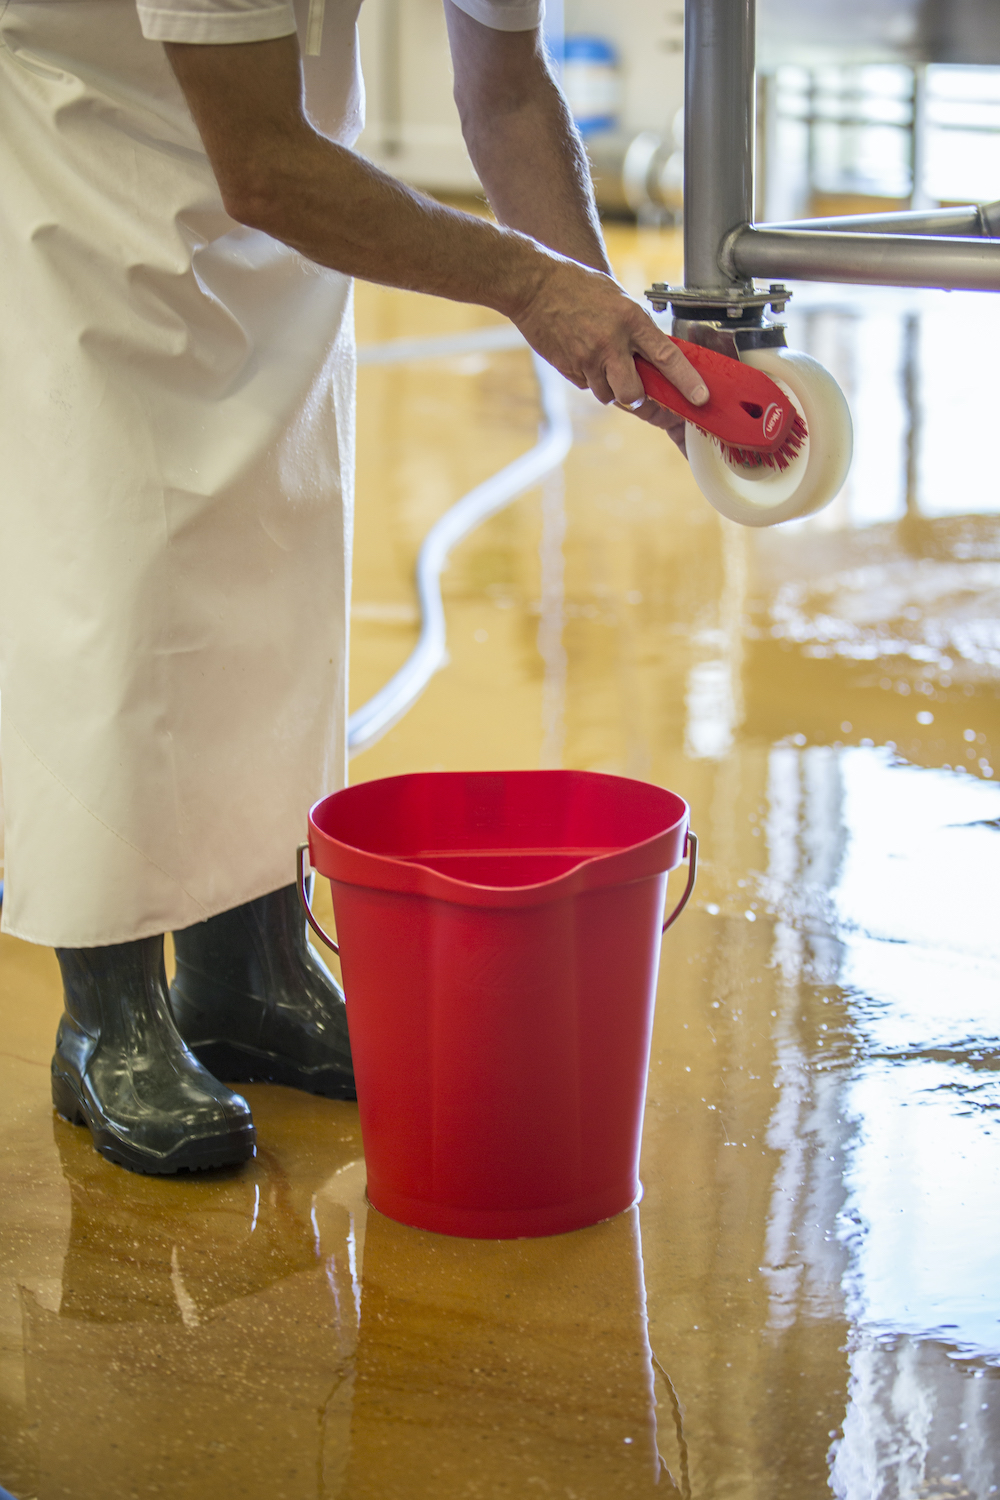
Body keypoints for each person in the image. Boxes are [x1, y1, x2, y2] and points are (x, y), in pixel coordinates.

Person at [0, 0, 708, 1174]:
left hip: (277, 140)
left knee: (278, 533)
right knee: (109, 558)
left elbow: (509, 90)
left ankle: (250, 980)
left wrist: (622, 342)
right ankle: (106, 1015)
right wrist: (530, 288)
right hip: (70, 134)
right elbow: (263, 170)